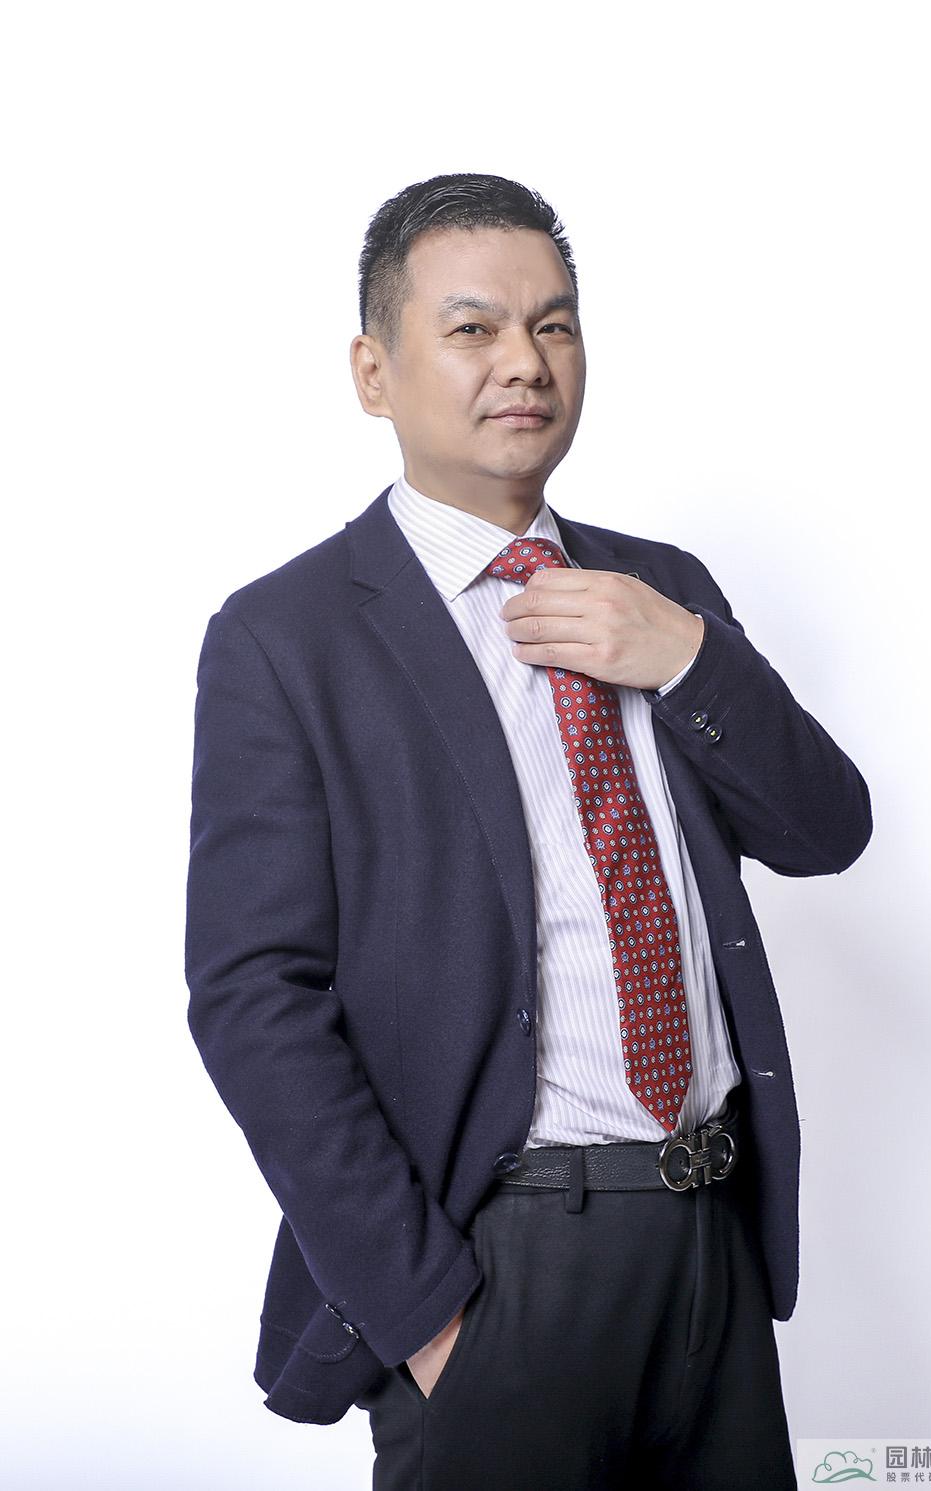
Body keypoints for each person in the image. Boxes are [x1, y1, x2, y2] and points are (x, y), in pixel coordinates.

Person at [184, 171, 873, 1490]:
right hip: (503, 1257)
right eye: (474, 328)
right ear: (374, 373)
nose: (526, 361)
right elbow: (251, 998)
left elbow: (825, 830)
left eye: (555, 325)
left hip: (710, 1232)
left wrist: (687, 658)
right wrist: (429, 1319)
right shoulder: (289, 637)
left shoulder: (659, 588)